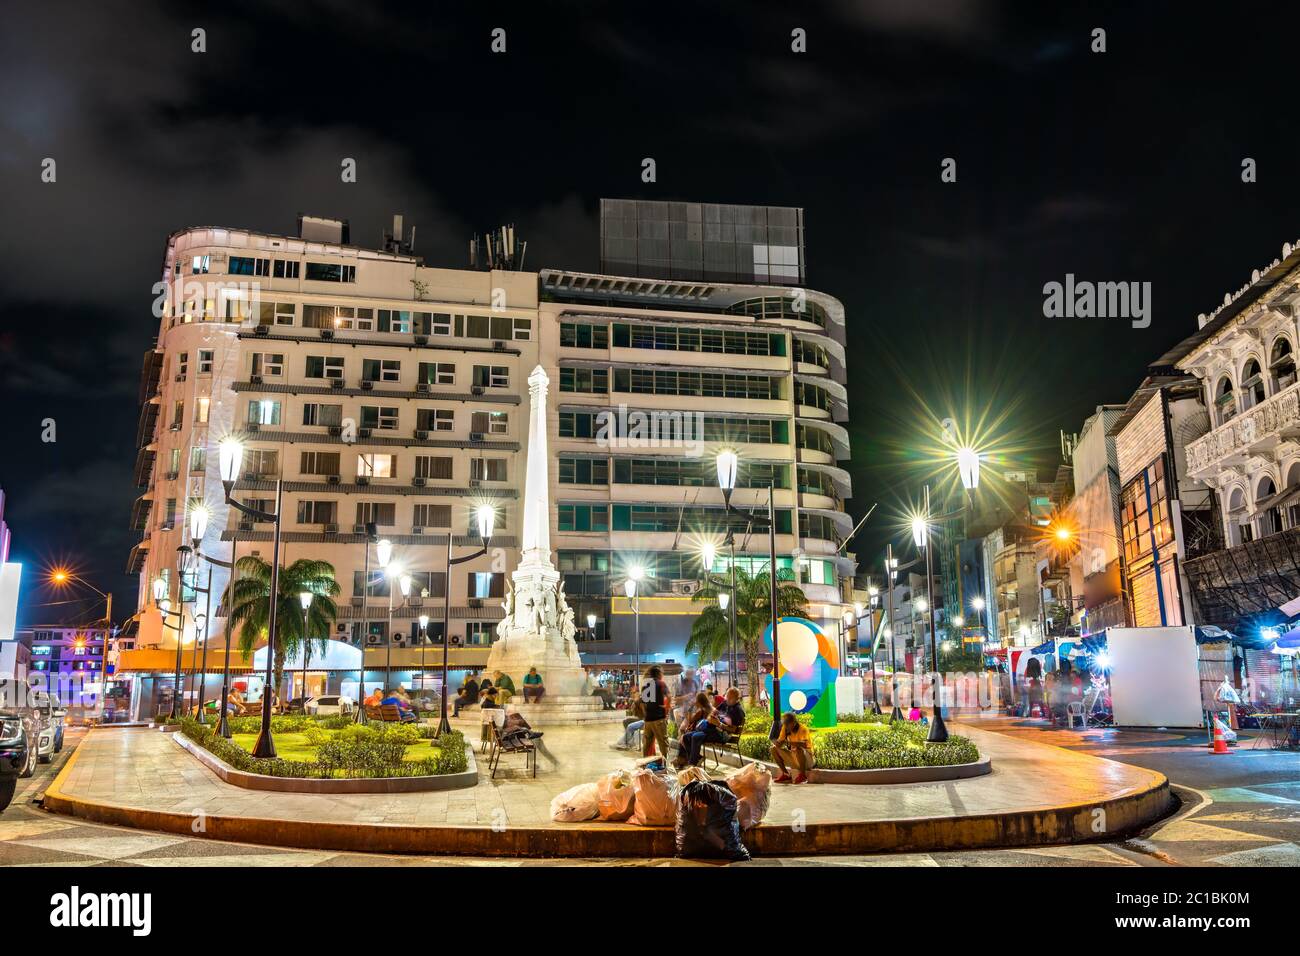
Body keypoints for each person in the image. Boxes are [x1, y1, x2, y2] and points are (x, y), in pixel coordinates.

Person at [679, 687, 745, 767]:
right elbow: (713, 713)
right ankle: (696, 759)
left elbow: (733, 730)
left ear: (736, 699)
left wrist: (719, 724)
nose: (727, 699)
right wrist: (711, 718)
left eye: (730, 698)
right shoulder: (725, 703)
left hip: (722, 734)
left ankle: (692, 765)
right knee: (686, 737)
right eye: (727, 696)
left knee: (696, 736)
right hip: (711, 730)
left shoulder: (738, 711)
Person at [674, 691, 714, 769]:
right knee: (684, 737)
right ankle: (687, 760)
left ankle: (685, 761)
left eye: (696, 700)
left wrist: (690, 709)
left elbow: (690, 720)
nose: (695, 701)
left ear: (699, 701)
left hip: (702, 732)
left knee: (683, 738)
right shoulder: (708, 708)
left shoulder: (701, 710)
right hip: (702, 731)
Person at [771, 711, 814, 783]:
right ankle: (786, 774)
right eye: (784, 724)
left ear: (793, 723)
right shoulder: (785, 728)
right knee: (773, 749)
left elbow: (804, 744)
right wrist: (777, 743)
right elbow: (780, 742)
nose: (785, 726)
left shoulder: (803, 729)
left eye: (787, 724)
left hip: (807, 759)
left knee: (798, 749)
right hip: (794, 756)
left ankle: (803, 776)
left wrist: (787, 742)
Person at [640, 666, 671, 759]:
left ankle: (645, 765)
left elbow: (643, 703)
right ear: (658, 674)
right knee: (663, 743)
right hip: (659, 718)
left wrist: (646, 714)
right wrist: (667, 708)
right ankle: (666, 765)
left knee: (647, 744)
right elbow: (669, 696)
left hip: (648, 720)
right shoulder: (661, 683)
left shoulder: (646, 684)